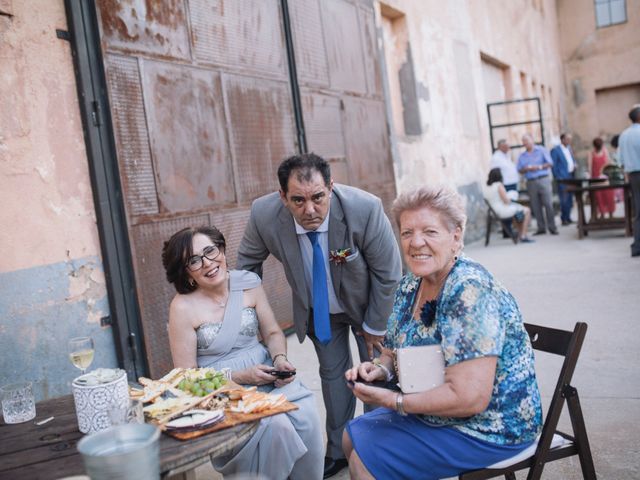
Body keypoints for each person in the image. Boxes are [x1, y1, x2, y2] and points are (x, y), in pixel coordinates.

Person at [342, 185, 543, 480]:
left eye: (430, 232)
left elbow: (469, 398)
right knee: (352, 436)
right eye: (407, 233)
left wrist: (393, 401)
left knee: (367, 460)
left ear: (456, 236)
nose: (416, 242)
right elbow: (392, 351)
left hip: (490, 426)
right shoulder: (412, 284)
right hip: (437, 412)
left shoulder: (470, 290)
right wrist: (379, 371)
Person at [236, 153, 402, 478]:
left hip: (369, 306)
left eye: (317, 198)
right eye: (297, 200)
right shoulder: (264, 215)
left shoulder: (364, 209)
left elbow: (389, 273)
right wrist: (245, 320)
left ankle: (375, 444)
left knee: (375, 374)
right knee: (332, 376)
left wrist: (375, 324)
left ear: (331, 188)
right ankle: (339, 449)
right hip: (320, 311)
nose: (309, 210)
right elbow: (246, 269)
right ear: (282, 196)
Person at [162, 226, 324, 480]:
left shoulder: (248, 284)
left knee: (302, 412)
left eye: (210, 251)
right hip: (222, 390)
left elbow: (271, 333)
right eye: (195, 260)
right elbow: (186, 377)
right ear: (187, 273)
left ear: (222, 250)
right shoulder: (182, 307)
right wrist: (240, 377)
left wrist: (280, 359)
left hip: (266, 376)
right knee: (276, 425)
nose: (208, 263)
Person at [517, 133, 558, 235]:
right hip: (531, 182)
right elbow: (519, 169)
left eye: (526, 140)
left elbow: (550, 163)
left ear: (532, 140)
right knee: (535, 205)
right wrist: (526, 169)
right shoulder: (522, 156)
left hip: (543, 179)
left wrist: (538, 167)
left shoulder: (541, 150)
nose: (525, 143)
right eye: (523, 141)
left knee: (548, 204)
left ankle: (552, 227)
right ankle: (541, 228)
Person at [484, 168, 534, 243]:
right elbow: (506, 201)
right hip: (501, 210)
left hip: (493, 211)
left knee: (519, 210)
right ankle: (523, 235)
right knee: (526, 210)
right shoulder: (498, 185)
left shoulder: (487, 187)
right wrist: (510, 197)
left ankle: (520, 234)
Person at [618, 105, 640, 257]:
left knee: (638, 211)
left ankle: (637, 246)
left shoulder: (624, 135)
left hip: (632, 175)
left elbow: (620, 160)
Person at [551, 133, 577, 225]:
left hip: (570, 176)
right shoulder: (556, 150)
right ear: (562, 140)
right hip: (562, 178)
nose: (569, 141)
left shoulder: (569, 148)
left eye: (570, 139)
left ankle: (568, 217)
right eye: (567, 139)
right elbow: (553, 165)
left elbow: (571, 159)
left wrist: (574, 164)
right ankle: (564, 218)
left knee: (570, 198)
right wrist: (557, 177)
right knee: (564, 199)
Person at [588, 137, 615, 219]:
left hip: (605, 177)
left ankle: (610, 213)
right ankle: (602, 213)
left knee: (609, 195)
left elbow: (608, 163)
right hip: (596, 178)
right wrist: (590, 178)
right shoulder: (591, 153)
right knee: (599, 197)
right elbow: (590, 167)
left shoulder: (605, 151)